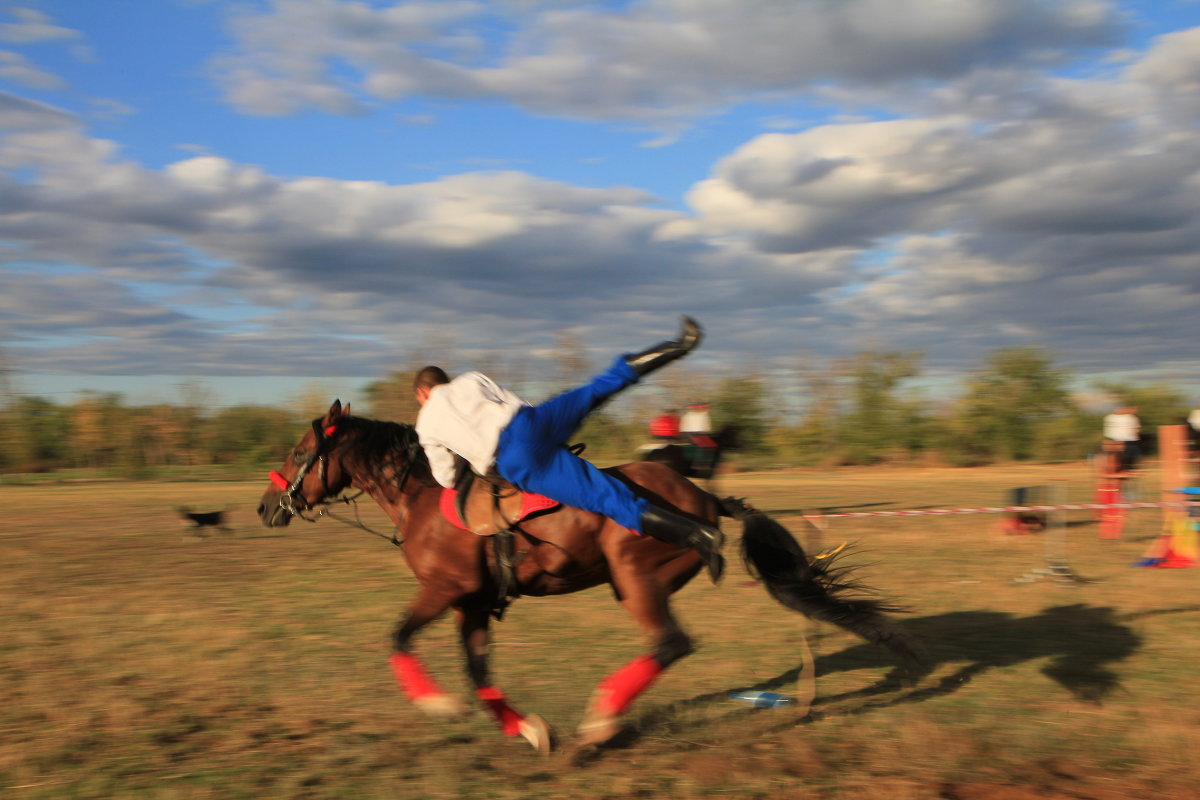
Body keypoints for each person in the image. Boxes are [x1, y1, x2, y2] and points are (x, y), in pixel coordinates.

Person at [413, 316, 724, 580]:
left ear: (422, 393)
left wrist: (466, 457)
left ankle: (699, 535)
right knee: (599, 388)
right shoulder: (470, 379)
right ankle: (680, 343)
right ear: (444, 380)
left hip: (517, 459)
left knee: (610, 499)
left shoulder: (426, 422)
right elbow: (515, 401)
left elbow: (446, 478)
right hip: (533, 421)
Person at [1102, 405, 1141, 473]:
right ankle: (1128, 467)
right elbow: (1136, 430)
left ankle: (1125, 467)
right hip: (1124, 440)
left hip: (1115, 439)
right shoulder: (1130, 417)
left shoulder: (1110, 417)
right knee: (1132, 452)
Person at [679, 401, 716, 471]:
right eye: (706, 408)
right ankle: (701, 465)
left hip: (686, 435)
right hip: (697, 434)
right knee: (711, 447)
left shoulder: (686, 415)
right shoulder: (702, 415)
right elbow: (706, 429)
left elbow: (682, 428)